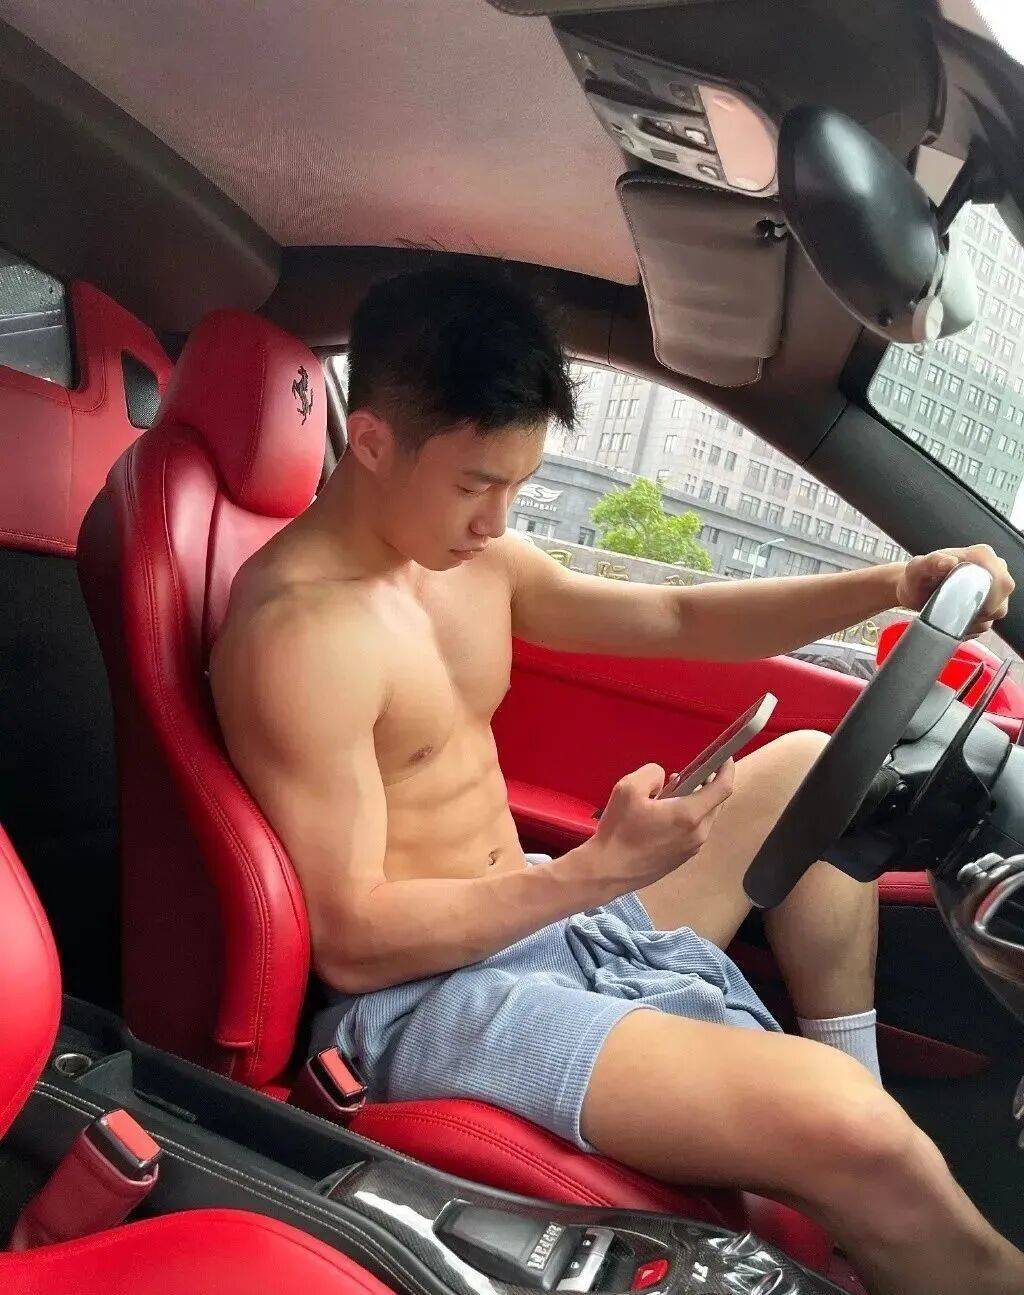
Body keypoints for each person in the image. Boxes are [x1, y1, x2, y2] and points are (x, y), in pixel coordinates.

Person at [210, 265, 1022, 1295]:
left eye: (517, 484)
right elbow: (352, 938)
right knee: (860, 1131)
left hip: (538, 921)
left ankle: (847, 1116)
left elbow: (673, 617)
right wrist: (595, 870)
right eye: (474, 485)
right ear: (369, 441)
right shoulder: (299, 634)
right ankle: (867, 1158)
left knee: (809, 769)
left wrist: (893, 583)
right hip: (428, 997)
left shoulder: (466, 563)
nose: (498, 520)